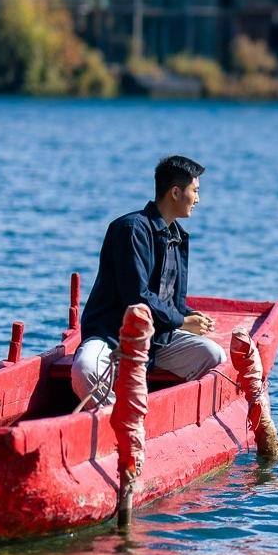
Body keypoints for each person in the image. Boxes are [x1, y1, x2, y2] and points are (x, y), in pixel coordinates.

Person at [72, 155, 224, 403]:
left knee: (214, 356)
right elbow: (137, 297)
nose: (198, 199)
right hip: (113, 337)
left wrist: (188, 314)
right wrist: (181, 322)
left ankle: (170, 416)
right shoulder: (131, 230)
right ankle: (121, 417)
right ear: (175, 192)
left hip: (156, 341)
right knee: (85, 370)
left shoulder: (176, 236)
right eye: (195, 191)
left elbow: (164, 296)